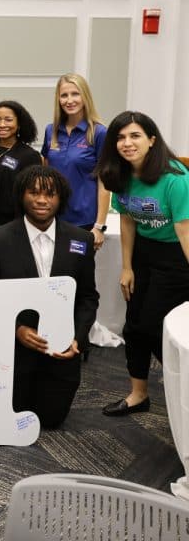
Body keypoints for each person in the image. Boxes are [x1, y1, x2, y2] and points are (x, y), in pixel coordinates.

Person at [0, 167, 98, 429]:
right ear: (21, 196)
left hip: (62, 352)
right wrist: (16, 329)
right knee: (15, 416)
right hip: (13, 353)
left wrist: (77, 337)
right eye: (34, 193)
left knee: (51, 420)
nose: (42, 200)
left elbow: (88, 297)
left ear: (61, 198)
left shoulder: (81, 239)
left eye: (50, 194)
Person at [96, 111, 189, 417]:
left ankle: (181, 386)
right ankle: (139, 395)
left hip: (176, 255)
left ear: (151, 140)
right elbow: (127, 220)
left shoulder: (175, 179)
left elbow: (185, 230)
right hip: (143, 254)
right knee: (133, 326)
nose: (127, 143)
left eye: (135, 136)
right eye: (120, 137)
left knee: (152, 326)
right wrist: (126, 267)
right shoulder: (119, 174)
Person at [42, 73, 110, 248]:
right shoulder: (51, 131)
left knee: (78, 273)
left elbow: (105, 183)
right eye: (64, 95)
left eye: (75, 94)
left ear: (85, 96)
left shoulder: (99, 133)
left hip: (84, 222)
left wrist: (99, 226)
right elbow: (45, 172)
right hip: (52, 218)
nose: (69, 100)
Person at [0, 100, 42, 238]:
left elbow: (32, 193)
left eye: (8, 120)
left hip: (14, 222)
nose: (2, 125)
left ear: (19, 124)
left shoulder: (29, 156)